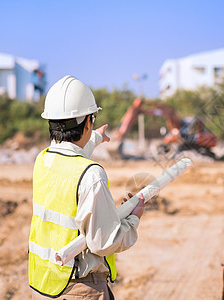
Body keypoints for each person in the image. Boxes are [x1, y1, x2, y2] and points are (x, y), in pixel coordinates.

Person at [28, 75, 145, 299]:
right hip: (81, 290)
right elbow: (103, 242)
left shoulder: (42, 160)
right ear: (88, 121)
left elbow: (69, 153)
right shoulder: (91, 174)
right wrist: (134, 218)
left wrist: (96, 137)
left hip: (45, 285)